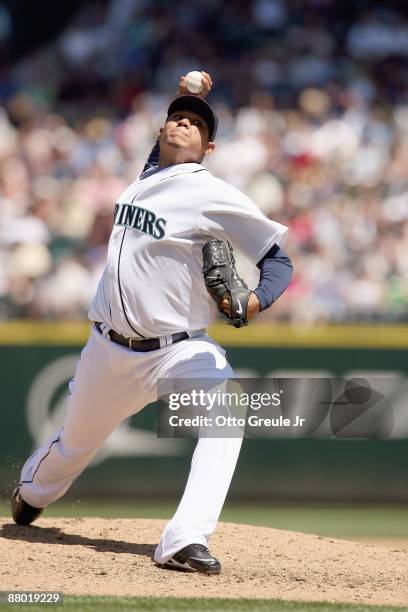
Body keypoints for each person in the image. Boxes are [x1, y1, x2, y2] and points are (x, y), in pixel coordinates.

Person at [11, 72, 293, 574]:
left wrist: (256, 302)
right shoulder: (144, 177)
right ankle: (32, 493)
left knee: (227, 415)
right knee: (71, 451)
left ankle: (184, 539)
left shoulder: (209, 191)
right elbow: (163, 144)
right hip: (107, 350)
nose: (182, 125)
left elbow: (278, 260)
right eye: (175, 120)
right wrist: (193, 97)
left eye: (195, 125)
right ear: (160, 133)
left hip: (178, 351)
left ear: (210, 147)